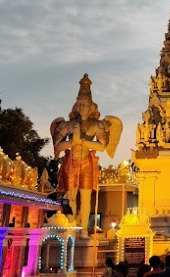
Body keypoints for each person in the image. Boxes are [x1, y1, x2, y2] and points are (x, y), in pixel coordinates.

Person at [52, 74, 122, 238]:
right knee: (70, 197)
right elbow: (57, 145)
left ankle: (83, 229)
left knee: (85, 197)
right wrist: (70, 144)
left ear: (92, 108)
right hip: (71, 161)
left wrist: (83, 142)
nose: (82, 107)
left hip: (87, 162)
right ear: (76, 106)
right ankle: (71, 227)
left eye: (86, 105)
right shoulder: (68, 125)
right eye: (80, 104)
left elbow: (102, 147)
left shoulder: (97, 125)